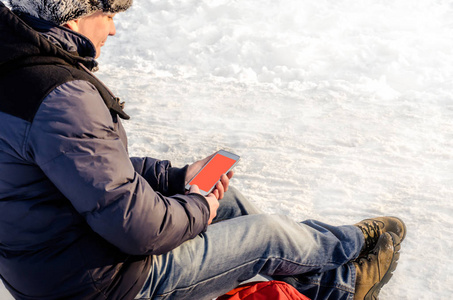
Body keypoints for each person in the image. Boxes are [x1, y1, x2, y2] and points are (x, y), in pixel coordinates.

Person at [0, 1, 406, 299]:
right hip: (99, 284)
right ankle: (348, 271)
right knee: (265, 236)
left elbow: (87, 170)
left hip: (54, 264)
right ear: (73, 15)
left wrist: (177, 179)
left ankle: (320, 273)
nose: (113, 29)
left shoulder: (18, 67)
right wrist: (197, 207)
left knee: (227, 201)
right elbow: (135, 228)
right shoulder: (60, 95)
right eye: (109, 14)